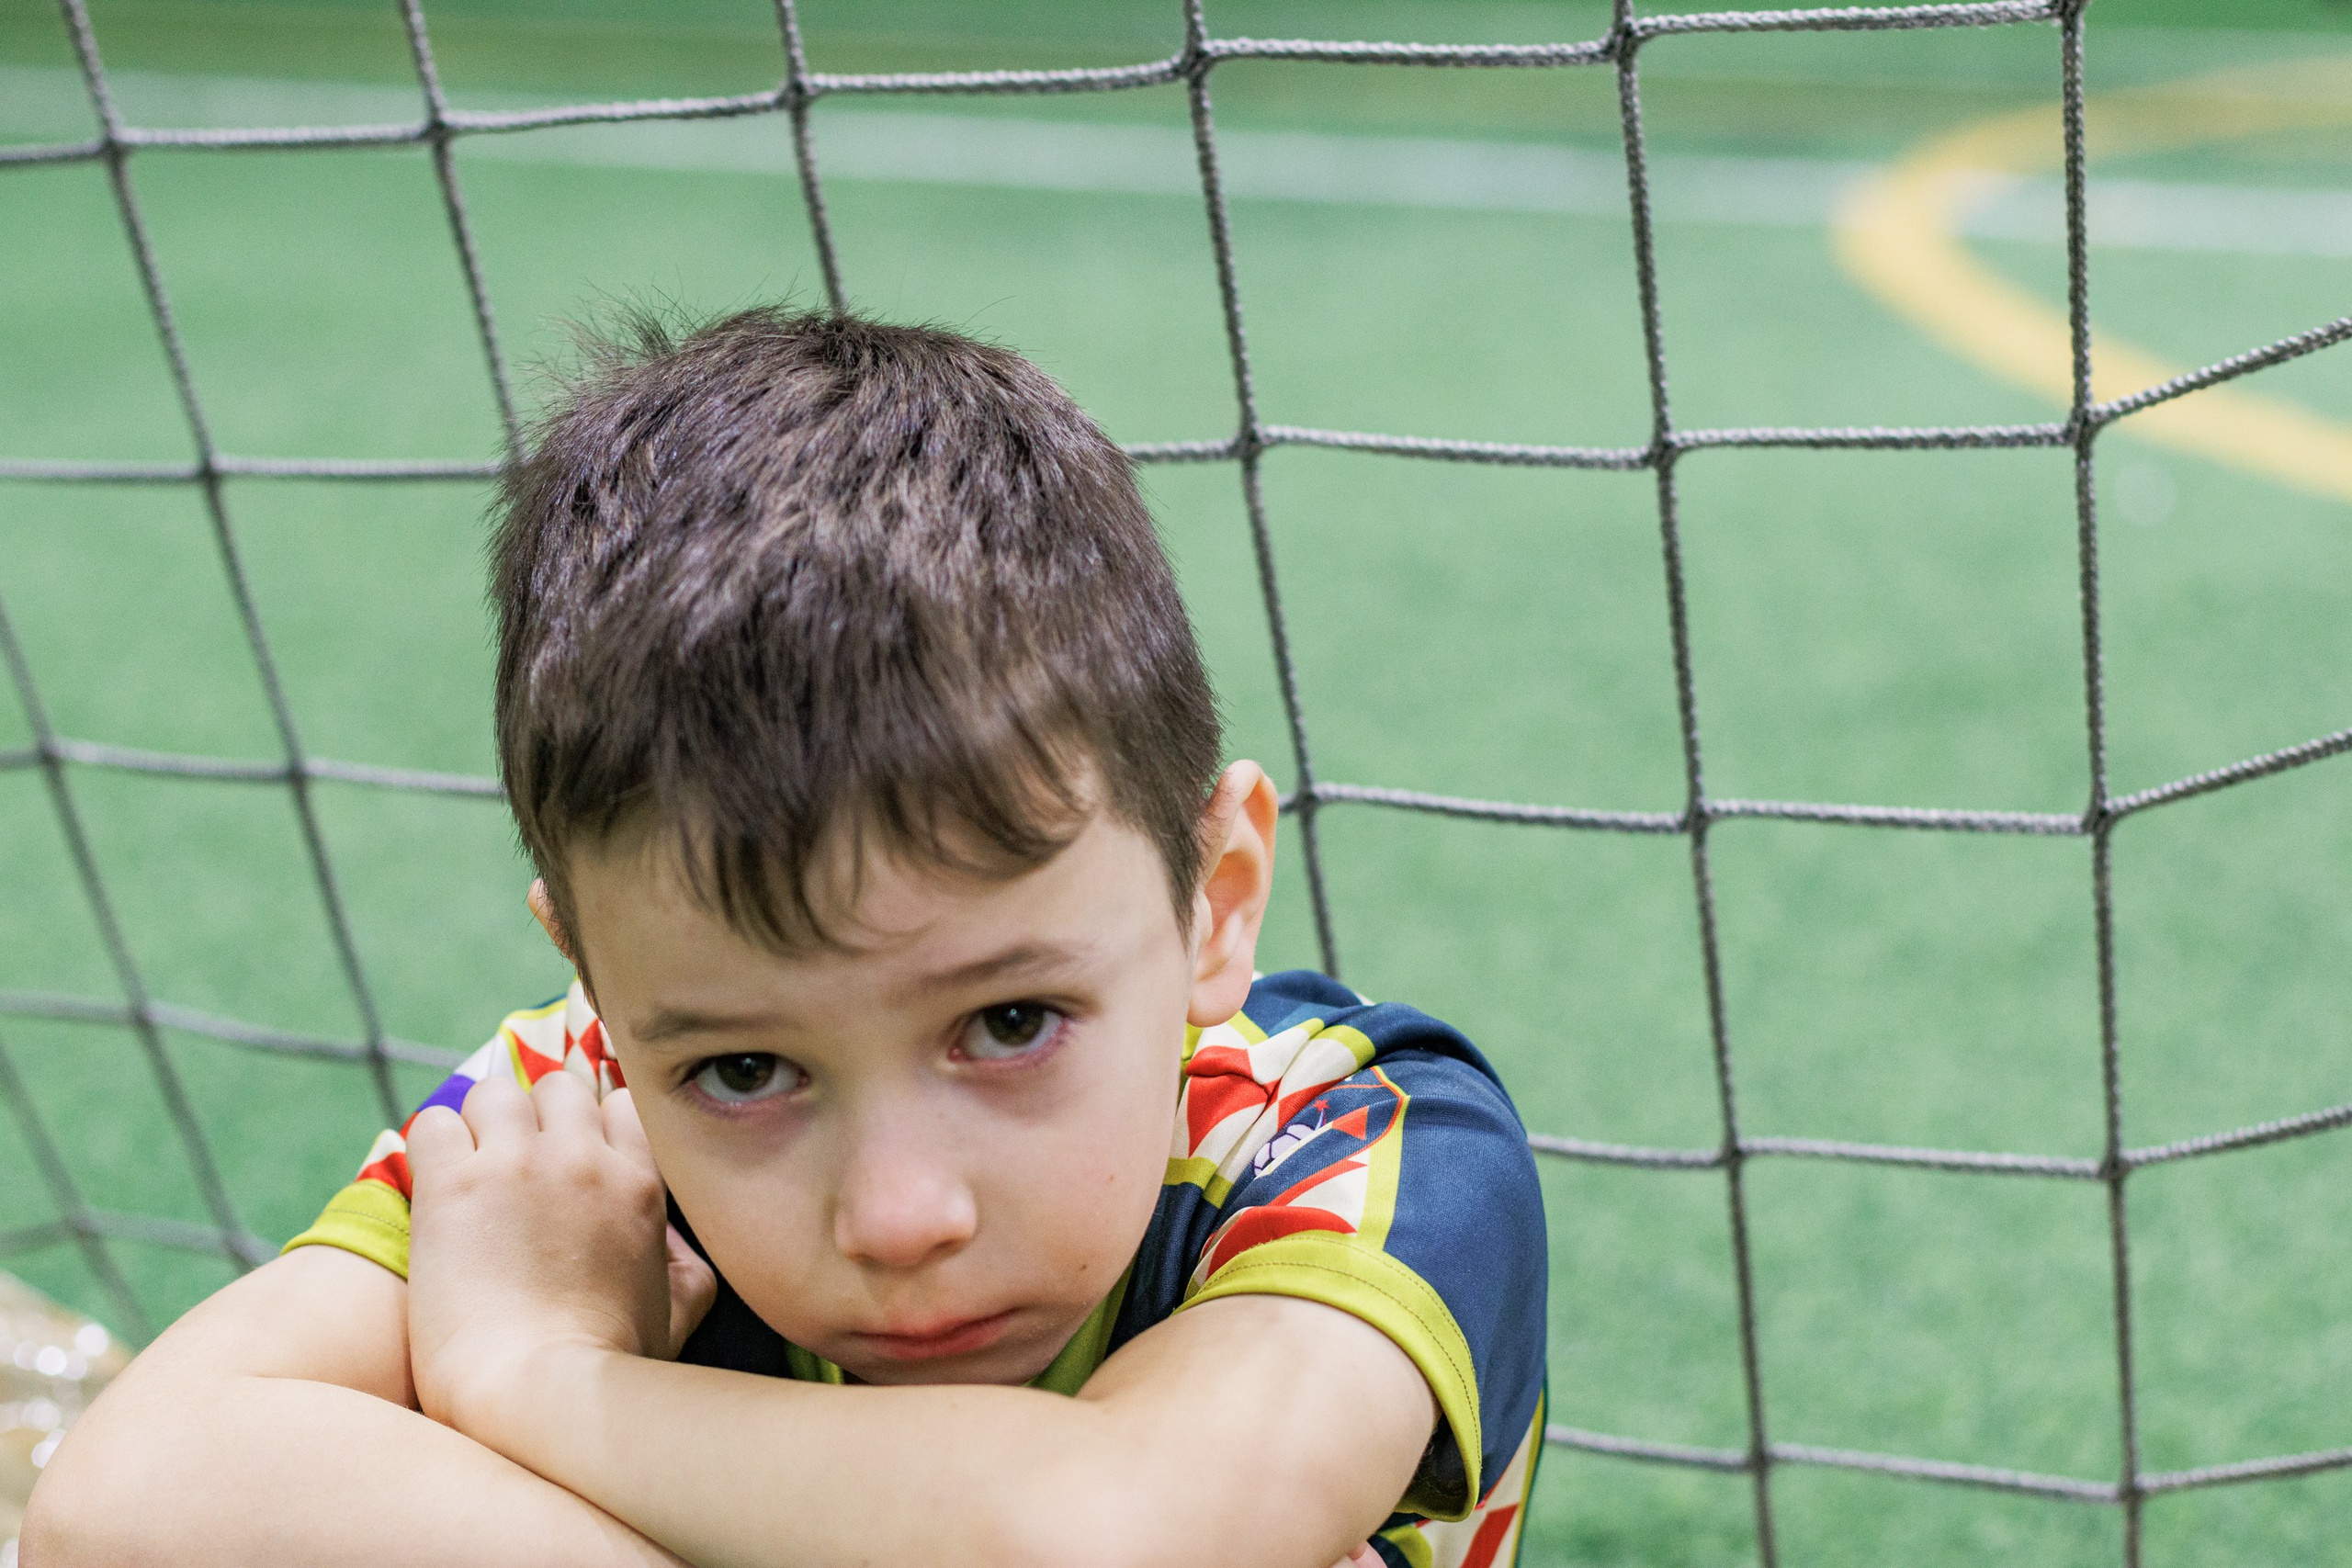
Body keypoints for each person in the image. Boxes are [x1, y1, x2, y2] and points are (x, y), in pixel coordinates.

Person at [26, 309, 1548, 1568]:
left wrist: (545, 1381)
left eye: (1009, 1024)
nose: (898, 1216)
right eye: (748, 1068)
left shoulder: (1360, 1135)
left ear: (1213, 901)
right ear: (602, 1001)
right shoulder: (574, 1128)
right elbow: (120, 1502)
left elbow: (1119, 1531)